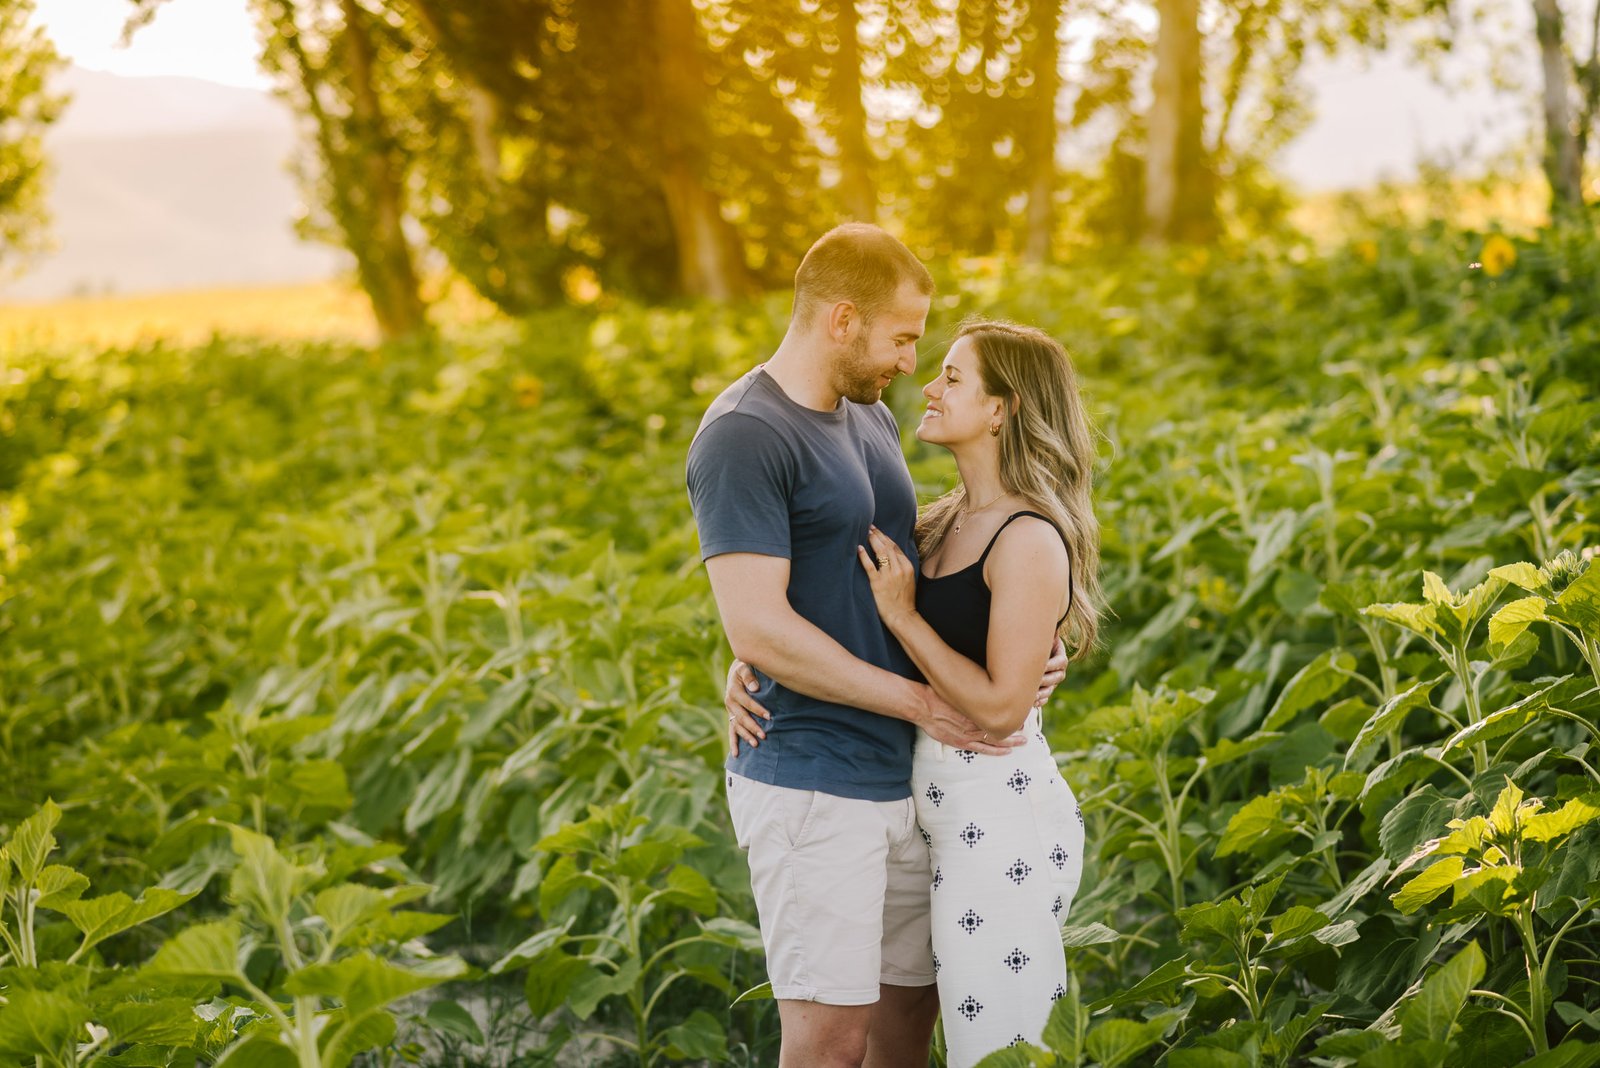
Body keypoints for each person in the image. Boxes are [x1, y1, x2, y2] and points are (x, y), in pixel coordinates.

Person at [686, 224, 1065, 1068]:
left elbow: (897, 564)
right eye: (901, 338)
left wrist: (1029, 641)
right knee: (830, 1043)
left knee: (905, 1024)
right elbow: (758, 625)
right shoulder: (745, 433)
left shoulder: (867, 417)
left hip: (912, 779)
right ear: (843, 320)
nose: (909, 363)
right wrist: (916, 700)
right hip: (815, 777)